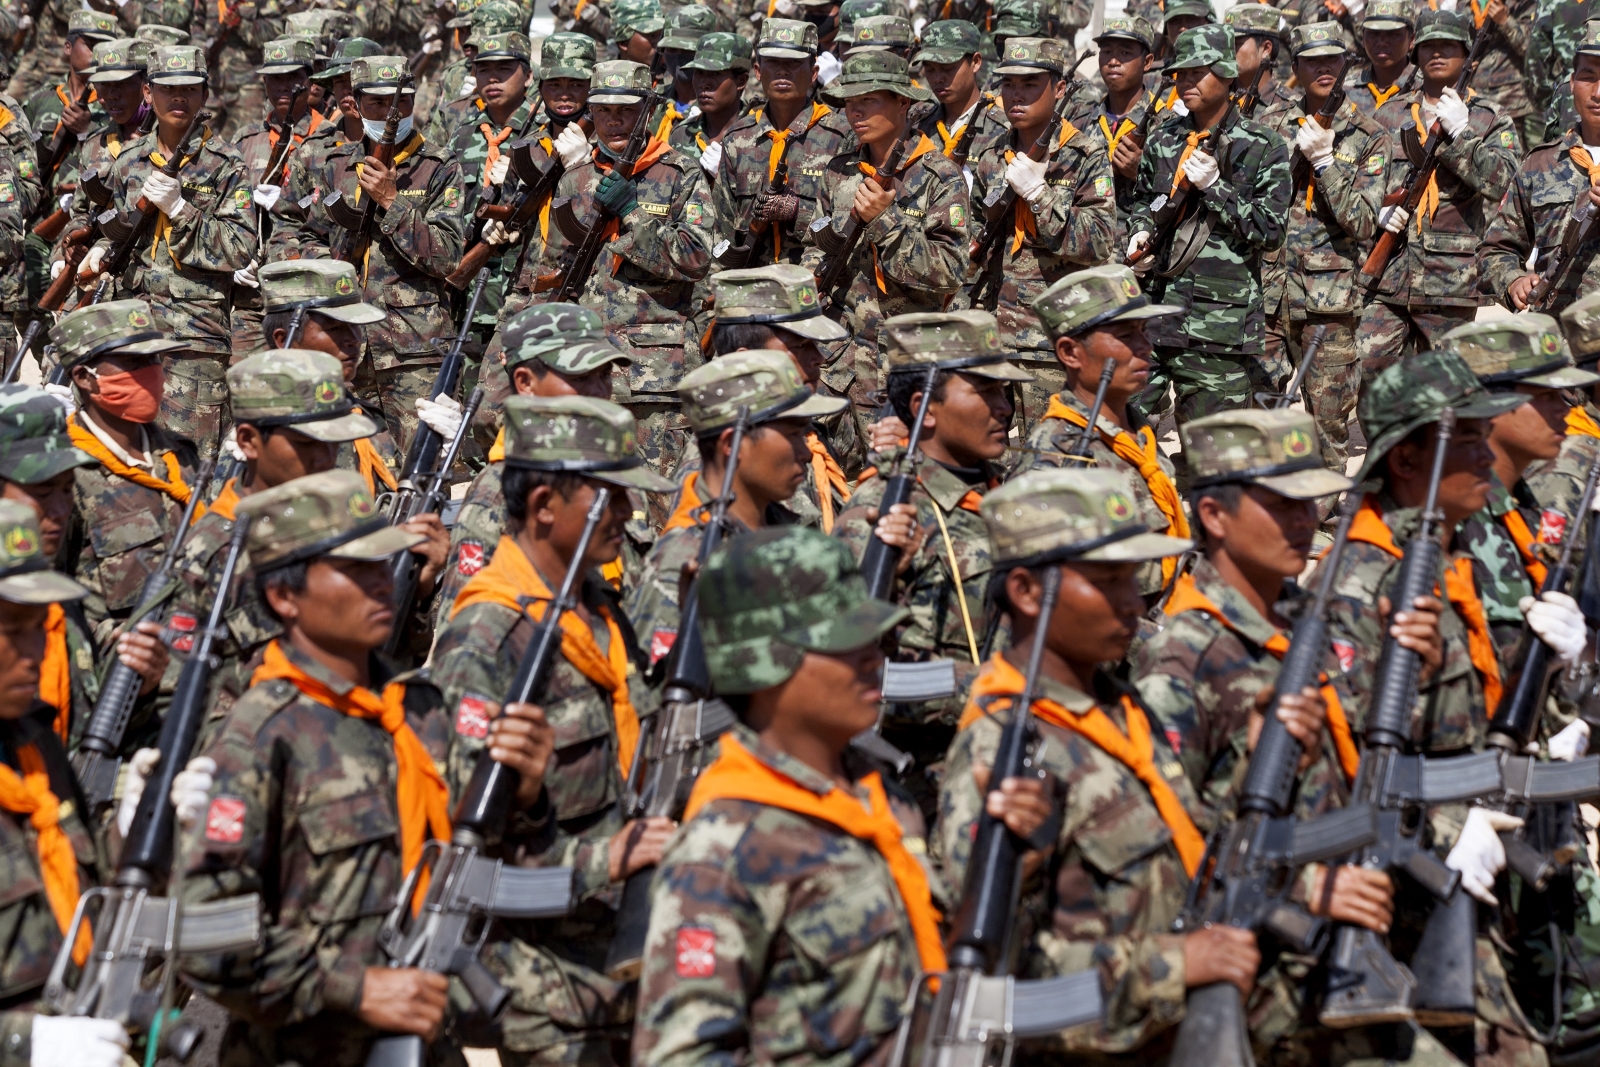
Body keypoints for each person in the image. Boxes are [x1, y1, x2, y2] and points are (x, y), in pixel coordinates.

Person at [177, 469, 550, 1065]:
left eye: (384, 566)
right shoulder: (259, 739)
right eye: (354, 572)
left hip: (428, 1038)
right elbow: (204, 936)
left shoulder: (418, 708)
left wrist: (527, 795)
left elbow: (482, 853)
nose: (382, 586)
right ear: (284, 597)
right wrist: (355, 988)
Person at [939, 466, 1264, 1058]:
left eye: (1133, 580)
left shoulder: (1116, 704)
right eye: (1107, 580)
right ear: (1027, 591)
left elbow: (1181, 846)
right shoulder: (1004, 749)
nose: (1131, 602)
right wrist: (1172, 965)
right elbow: (993, 988)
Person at [631, 526, 960, 1067]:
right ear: (763, 662)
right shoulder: (725, 851)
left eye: (872, 640)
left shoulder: (883, 797)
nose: (872, 658)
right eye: (842, 643)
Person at [1333, 347, 1571, 1067]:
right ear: (1404, 462)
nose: (1483, 454)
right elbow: (1342, 768)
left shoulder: (1447, 554)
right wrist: (1446, 830)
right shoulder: (1362, 584)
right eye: (1464, 440)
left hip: (1465, 873)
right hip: (1397, 893)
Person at [430, 395, 674, 1067]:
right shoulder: (486, 637)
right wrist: (592, 845)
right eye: (610, 496)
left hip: (628, 962)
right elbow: (464, 855)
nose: (628, 514)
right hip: (546, 993)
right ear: (544, 505)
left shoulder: (602, 610)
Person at [166, 349, 448, 734]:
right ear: (249, 441)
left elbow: (387, 655)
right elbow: (178, 697)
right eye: (306, 443)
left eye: (333, 442)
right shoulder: (213, 552)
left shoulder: (344, 522)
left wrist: (419, 586)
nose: (325, 458)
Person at [834, 309, 1030, 813]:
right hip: (925, 783)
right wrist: (989, 687)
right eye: (985, 391)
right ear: (926, 408)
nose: (1003, 408)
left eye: (1005, 393)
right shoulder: (880, 513)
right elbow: (850, 680)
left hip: (1010, 762)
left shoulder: (1002, 499)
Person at [523, 59, 714, 482]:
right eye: (604, 110)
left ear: (646, 111)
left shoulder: (680, 174)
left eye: (626, 111)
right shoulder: (576, 177)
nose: (614, 121)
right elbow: (550, 267)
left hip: (655, 371)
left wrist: (633, 214)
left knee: (659, 495)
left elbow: (697, 258)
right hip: (586, 367)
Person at [270, 54, 467, 453]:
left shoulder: (439, 168)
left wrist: (392, 203)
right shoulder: (333, 164)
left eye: (401, 103)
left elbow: (447, 258)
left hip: (414, 349)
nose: (391, 113)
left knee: (420, 465)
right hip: (342, 344)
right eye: (376, 103)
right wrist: (324, 266)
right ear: (356, 104)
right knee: (345, 462)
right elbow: (288, 233)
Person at [77, 45, 255, 459]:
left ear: (205, 96)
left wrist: (181, 210)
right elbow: (120, 231)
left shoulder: (227, 165)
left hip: (195, 338)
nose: (180, 98)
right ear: (147, 93)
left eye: (191, 89)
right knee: (128, 453)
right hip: (132, 332)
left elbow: (240, 248)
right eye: (169, 89)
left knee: (192, 462)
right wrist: (100, 251)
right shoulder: (130, 161)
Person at [0, 500, 127, 1067]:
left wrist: (136, 826)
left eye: (38, 630)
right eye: (13, 633)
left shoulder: (30, 740)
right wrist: (24, 1045)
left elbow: (86, 891)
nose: (37, 654)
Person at [628, 349, 849, 664]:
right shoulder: (683, 566)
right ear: (732, 445)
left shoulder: (783, 527)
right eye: (793, 434)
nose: (805, 451)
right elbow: (653, 701)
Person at [802, 51, 969, 461]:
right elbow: (812, 247)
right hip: (838, 365)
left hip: (903, 366)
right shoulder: (839, 170)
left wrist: (885, 221)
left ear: (903, 103)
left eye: (869, 100)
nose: (855, 112)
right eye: (849, 103)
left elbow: (950, 271)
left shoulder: (939, 176)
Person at [1127, 23, 1291, 430]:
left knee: (1214, 457)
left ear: (1227, 74)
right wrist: (1139, 232)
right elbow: (1144, 201)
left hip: (1216, 327)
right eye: (1180, 74)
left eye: (1197, 72)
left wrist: (1217, 188)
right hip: (1151, 314)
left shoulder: (1262, 145)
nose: (1186, 82)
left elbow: (1271, 232)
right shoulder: (1164, 139)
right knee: (1122, 439)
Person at [0, 384, 167, 757]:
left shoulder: (61, 607)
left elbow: (82, 728)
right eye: (43, 493)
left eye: (66, 490)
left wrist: (140, 688)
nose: (60, 510)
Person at [436, 304, 634, 614]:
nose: (599, 392)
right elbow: (469, 629)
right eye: (580, 377)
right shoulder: (499, 496)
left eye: (605, 375)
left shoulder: (621, 475)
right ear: (525, 382)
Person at [962, 36, 1116, 432]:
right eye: (1008, 83)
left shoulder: (1084, 154)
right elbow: (978, 241)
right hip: (994, 335)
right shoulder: (993, 156)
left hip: (1051, 340)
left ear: (1059, 88)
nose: (1016, 94)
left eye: (1030, 84)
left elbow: (1099, 241)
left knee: (1051, 458)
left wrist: (1040, 195)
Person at [1356, 9, 1519, 382]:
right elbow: (1364, 179)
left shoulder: (1490, 118)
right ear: (1416, 53)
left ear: (1467, 55)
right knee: (1370, 372)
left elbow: (1505, 183)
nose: (1438, 53)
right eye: (1429, 46)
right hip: (1388, 274)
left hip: (1451, 280)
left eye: (1449, 45)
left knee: (1446, 387)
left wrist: (1462, 135)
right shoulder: (1388, 113)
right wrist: (1378, 212)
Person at [1255, 21, 1389, 474]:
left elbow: (1364, 221)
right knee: (1262, 416)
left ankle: (1326, 517)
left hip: (1328, 306)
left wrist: (1326, 164)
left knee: (1327, 425)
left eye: (1332, 59)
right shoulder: (1270, 123)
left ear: (1346, 64)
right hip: (1269, 296)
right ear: (1296, 68)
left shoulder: (1369, 135)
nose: (1323, 68)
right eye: (1313, 60)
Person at [1024, 264, 1188, 601]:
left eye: (1144, 330)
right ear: (1071, 352)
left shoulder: (1137, 429)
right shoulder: (1063, 455)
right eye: (1126, 336)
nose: (1145, 346)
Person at [1441, 317, 1597, 650]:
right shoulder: (1448, 519)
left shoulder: (1520, 506)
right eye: (1545, 396)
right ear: (1489, 404)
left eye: (1562, 395)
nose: (1563, 410)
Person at [50, 299, 198, 643]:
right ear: (84, 378)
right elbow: (51, 600)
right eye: (134, 361)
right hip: (119, 671)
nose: (151, 372)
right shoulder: (65, 475)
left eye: (154, 359)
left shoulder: (181, 455)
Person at [708, 19, 853, 273]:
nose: (782, 71)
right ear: (758, 71)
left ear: (814, 73)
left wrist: (799, 212)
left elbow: (849, 227)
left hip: (815, 285)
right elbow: (720, 231)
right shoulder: (738, 139)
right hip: (750, 287)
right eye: (773, 62)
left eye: (794, 63)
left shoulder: (841, 137)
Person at [1481, 23, 1600, 314]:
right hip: (1557, 341)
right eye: (1589, 77)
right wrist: (1513, 281)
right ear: (1571, 83)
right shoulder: (1540, 164)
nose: (1598, 92)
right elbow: (1496, 249)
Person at [255, 259, 399, 495]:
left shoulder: (363, 417)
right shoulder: (267, 433)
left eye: (355, 326)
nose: (353, 339)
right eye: (333, 328)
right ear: (284, 341)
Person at [228, 37, 326, 356]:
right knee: (248, 390)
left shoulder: (330, 142)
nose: (285, 86)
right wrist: (231, 264)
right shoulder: (245, 141)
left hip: (310, 295)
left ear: (310, 81)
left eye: (294, 77)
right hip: (251, 300)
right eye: (276, 78)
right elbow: (227, 209)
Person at [1078, 15, 1165, 226]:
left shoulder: (1166, 124)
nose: (1113, 61)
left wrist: (1142, 171)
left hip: (1138, 248)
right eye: (1106, 52)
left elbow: (1180, 198)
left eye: (1125, 53)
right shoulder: (1082, 121)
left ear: (1147, 62)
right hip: (1089, 249)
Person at [912, 20, 1007, 168]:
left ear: (975, 62)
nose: (938, 78)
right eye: (929, 69)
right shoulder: (918, 126)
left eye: (948, 68)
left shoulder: (1003, 130)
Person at [669, 32, 752, 170]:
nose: (703, 84)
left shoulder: (761, 136)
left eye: (715, 74)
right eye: (699, 73)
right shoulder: (682, 134)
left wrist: (729, 174)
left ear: (741, 81)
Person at [1345, 0, 1416, 116]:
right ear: (1363, 37)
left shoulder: (1425, 87)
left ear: (1412, 39)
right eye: (1374, 33)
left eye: (1393, 34)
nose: (1382, 42)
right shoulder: (1346, 88)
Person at [1224, 2, 1291, 114]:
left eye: (1236, 44)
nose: (1228, 51)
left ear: (1265, 49)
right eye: (1225, 44)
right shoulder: (1217, 100)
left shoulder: (1290, 107)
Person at [657, 4, 719, 118]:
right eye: (672, 49)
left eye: (688, 51)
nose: (679, 57)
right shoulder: (652, 101)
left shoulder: (723, 106)